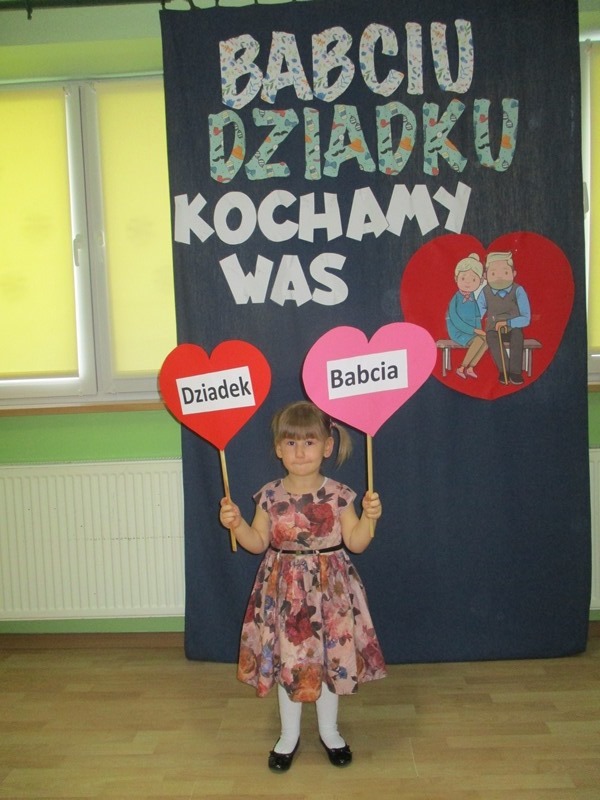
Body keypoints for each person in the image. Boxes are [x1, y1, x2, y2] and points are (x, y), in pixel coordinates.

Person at [219, 400, 386, 772]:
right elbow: (256, 543)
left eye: (309, 442)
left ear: (327, 447)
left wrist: (370, 518)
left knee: (329, 661)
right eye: (291, 443)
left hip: (331, 593)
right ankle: (289, 735)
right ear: (279, 449)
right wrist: (237, 524)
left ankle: (329, 730)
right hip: (286, 594)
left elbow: (356, 543)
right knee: (290, 662)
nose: (300, 451)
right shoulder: (269, 495)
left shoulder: (340, 495)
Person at [478, 251, 531, 385]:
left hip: (513, 328)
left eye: (505, 272)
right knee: (491, 339)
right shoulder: (485, 292)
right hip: (493, 329)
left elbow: (526, 318)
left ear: (514, 274)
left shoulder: (518, 290)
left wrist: (508, 322)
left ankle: (515, 372)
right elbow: (478, 312)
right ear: (486, 276)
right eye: (493, 274)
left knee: (517, 336)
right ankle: (504, 371)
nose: (499, 277)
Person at [445, 253, 488, 379]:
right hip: (458, 331)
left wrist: (479, 330)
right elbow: (455, 320)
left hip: (473, 331)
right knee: (480, 340)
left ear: (480, 282)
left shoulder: (473, 297)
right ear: (456, 278)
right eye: (463, 278)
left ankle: (470, 368)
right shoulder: (455, 299)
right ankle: (462, 368)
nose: (468, 283)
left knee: (486, 341)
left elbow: (477, 316)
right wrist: (475, 331)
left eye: (473, 280)